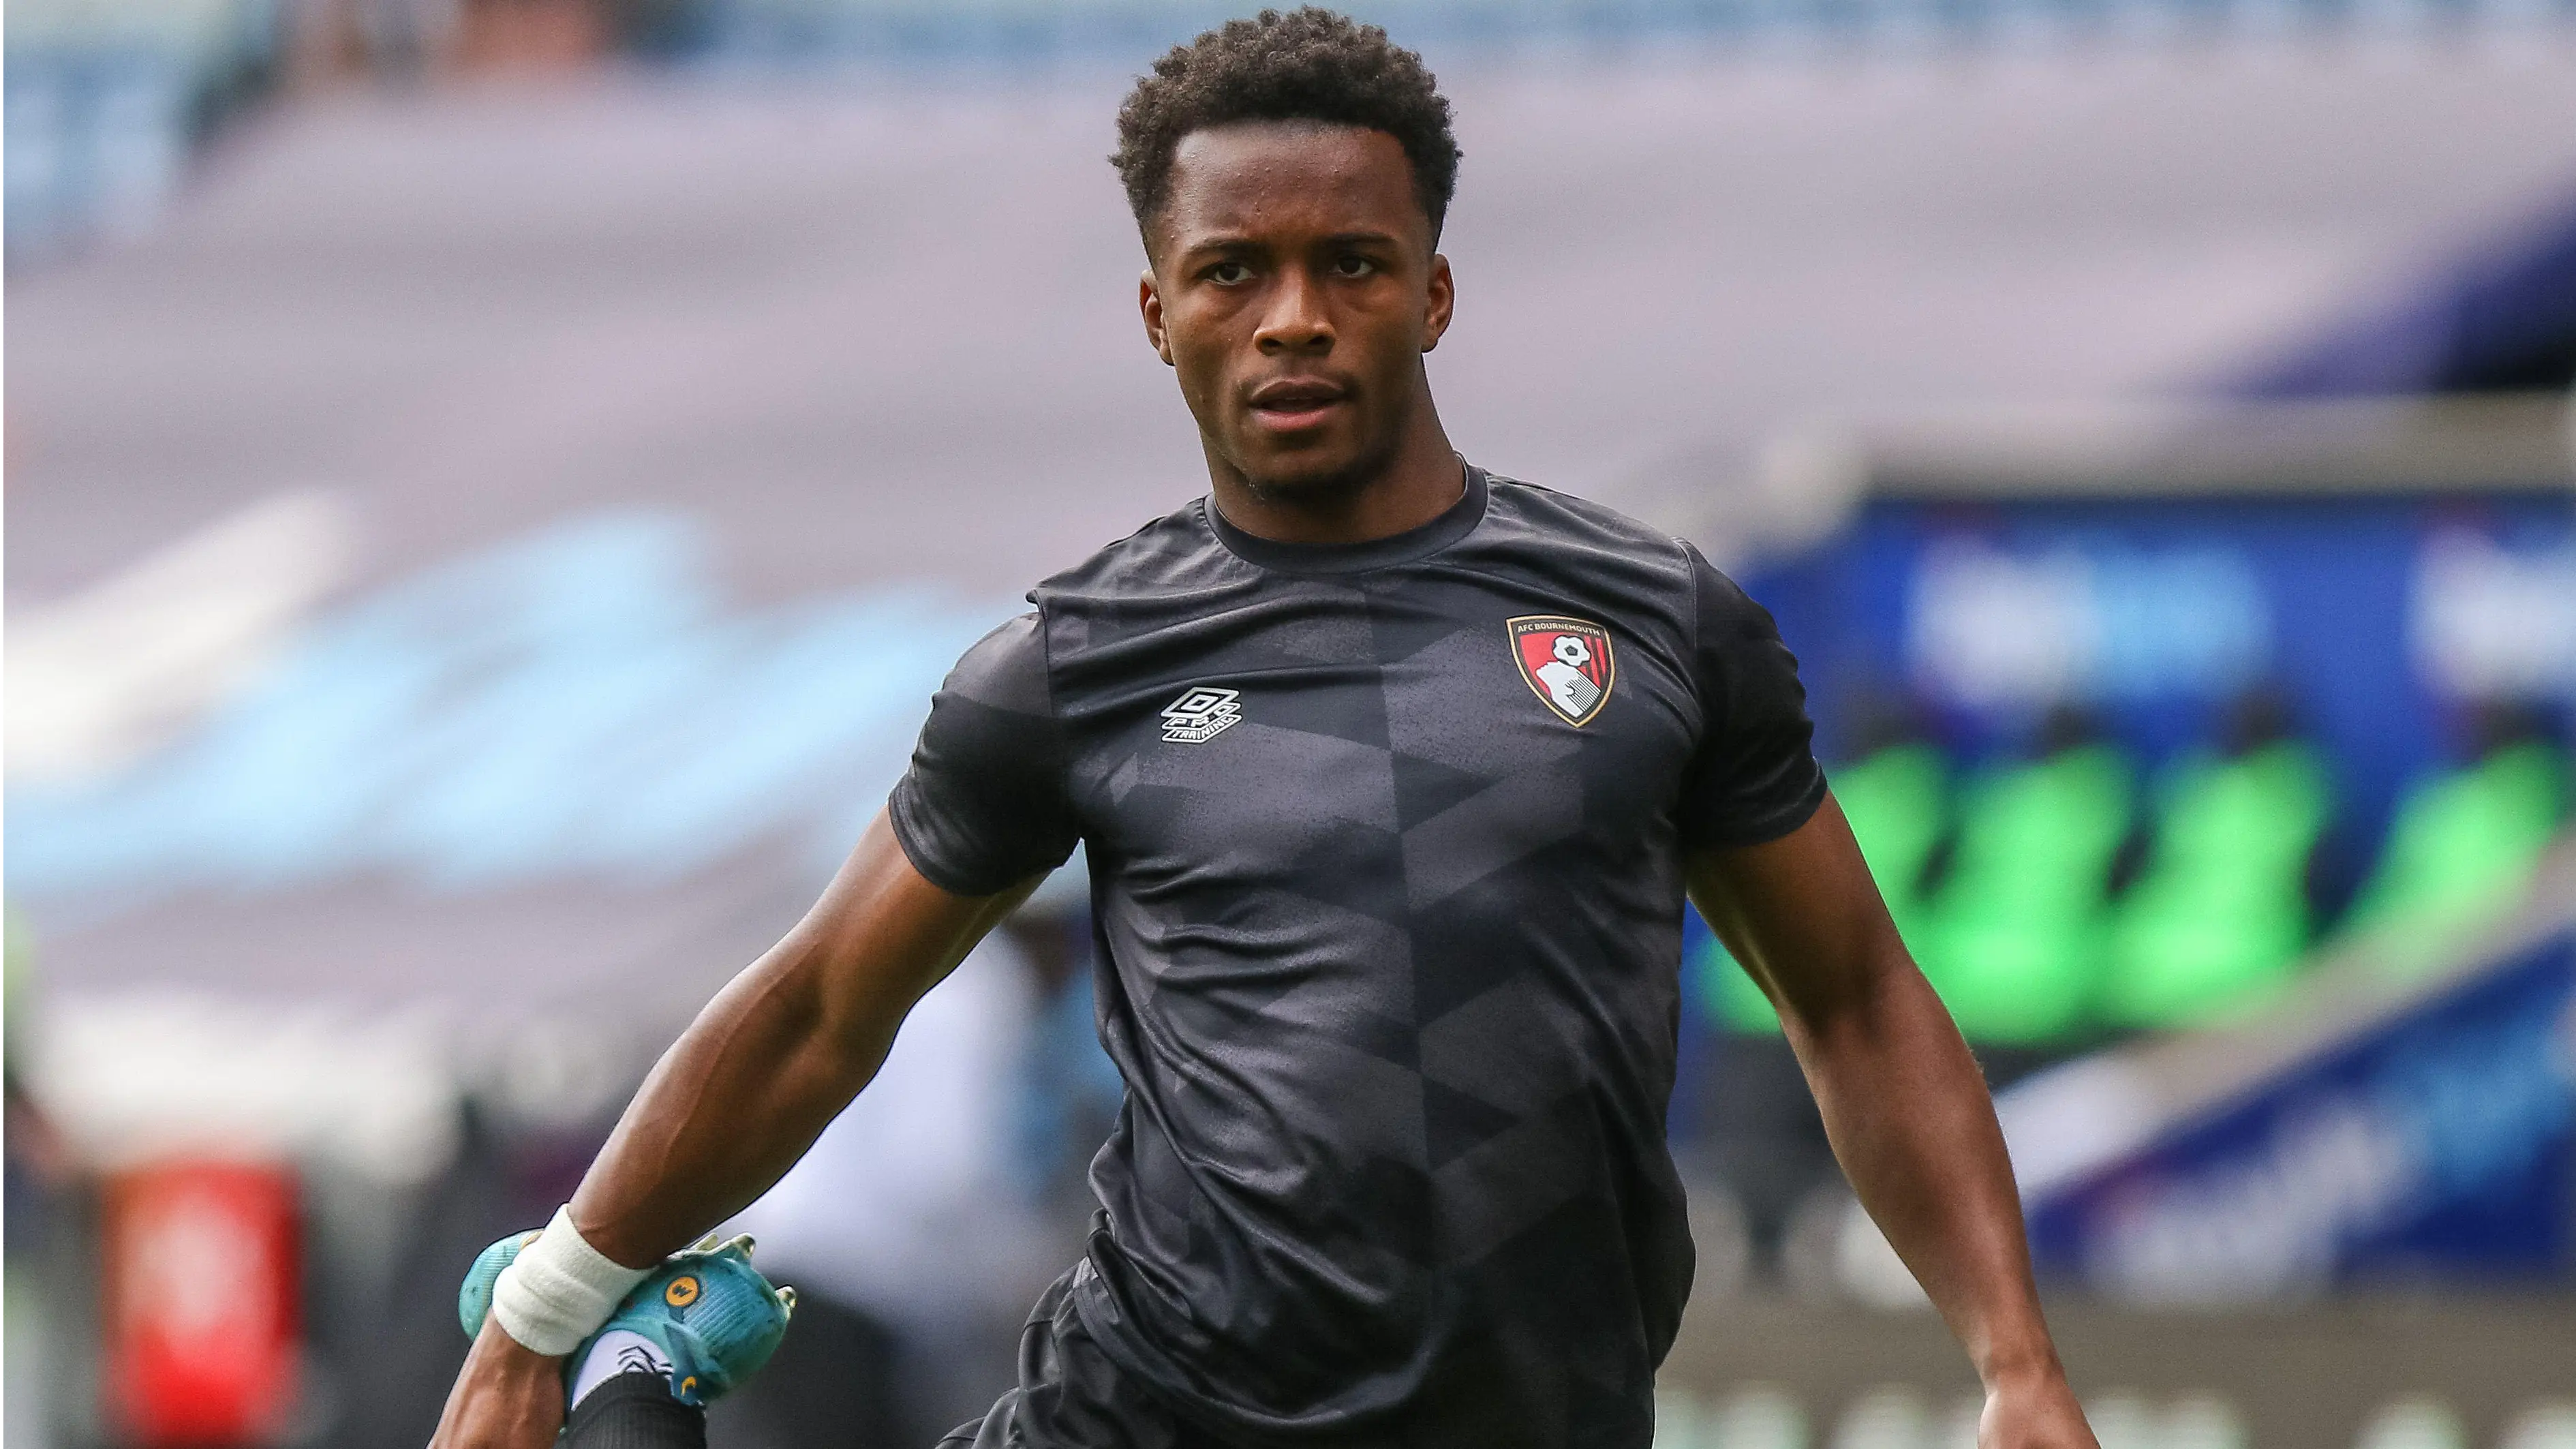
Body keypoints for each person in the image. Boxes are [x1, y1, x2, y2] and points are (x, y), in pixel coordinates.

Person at [427, 10, 2098, 1448]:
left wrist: (2015, 1364)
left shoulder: (1654, 622)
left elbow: (1858, 1000)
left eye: (1348, 263)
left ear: (1433, 292)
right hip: (1152, 1411)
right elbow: (819, 1007)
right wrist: (544, 1307)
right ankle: (633, 1374)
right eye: (1234, 270)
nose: (1292, 314)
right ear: (1160, 313)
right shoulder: (1071, 665)